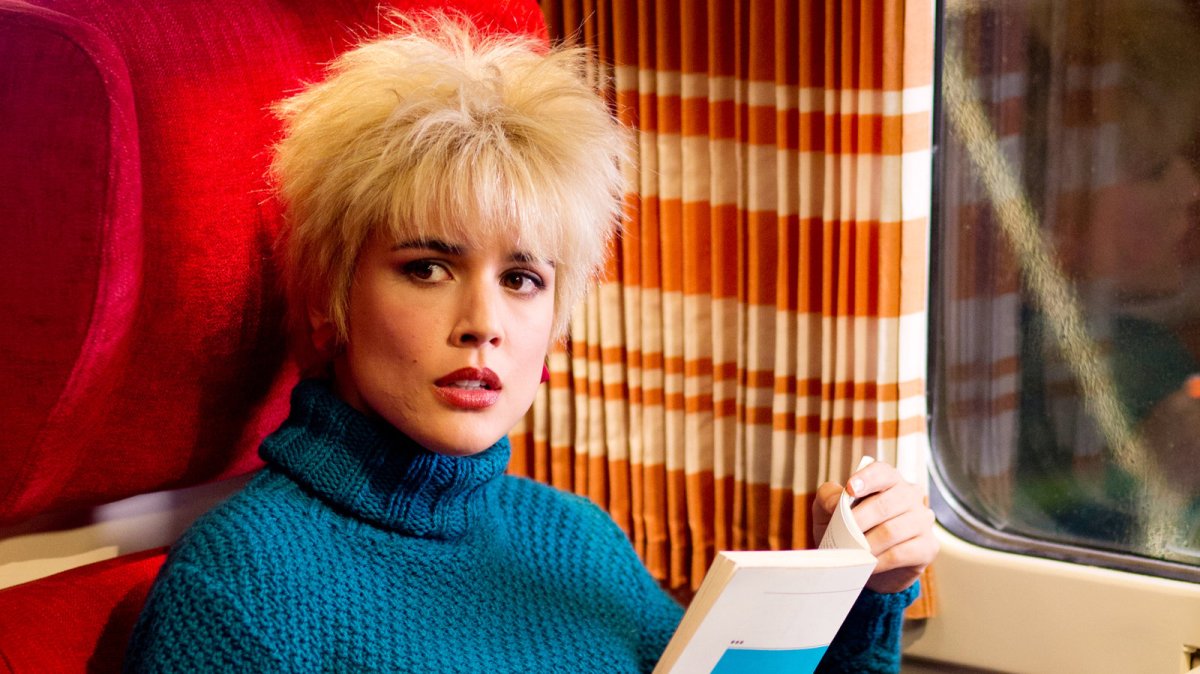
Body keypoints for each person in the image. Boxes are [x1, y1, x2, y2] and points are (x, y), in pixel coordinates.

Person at [125, 14, 937, 673]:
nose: (485, 321)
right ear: (331, 302)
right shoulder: (240, 585)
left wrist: (872, 595)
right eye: (428, 266)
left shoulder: (578, 538)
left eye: (522, 279)